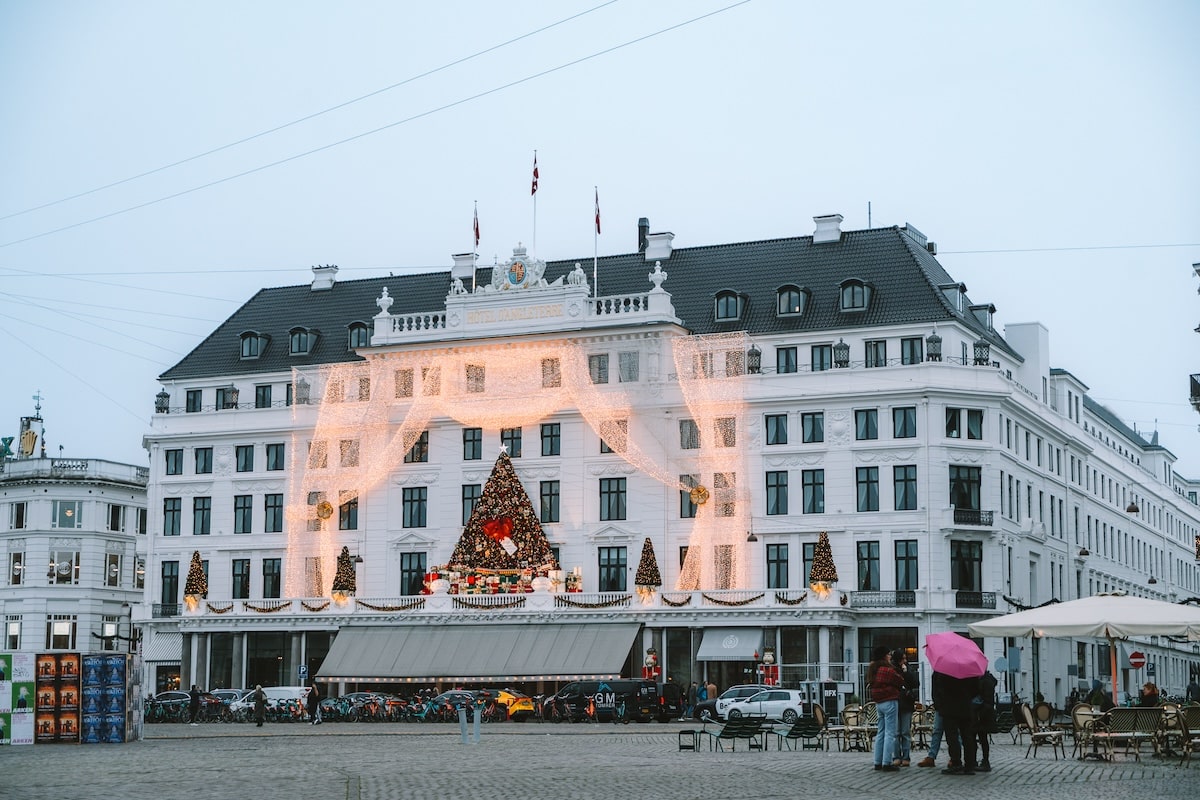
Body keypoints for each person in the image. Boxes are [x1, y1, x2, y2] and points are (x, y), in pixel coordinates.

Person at [935, 669, 980, 775]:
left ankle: (956, 762)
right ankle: (969, 765)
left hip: (949, 707)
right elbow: (976, 689)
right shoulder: (969, 670)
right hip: (965, 706)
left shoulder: (945, 670)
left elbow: (939, 687)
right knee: (967, 736)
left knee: (952, 737)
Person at [867, 645, 904, 772]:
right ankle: (887, 762)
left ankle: (878, 761)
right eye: (888, 654)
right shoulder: (887, 669)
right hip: (890, 701)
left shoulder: (873, 669)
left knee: (881, 732)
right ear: (884, 655)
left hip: (879, 703)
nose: (890, 656)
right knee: (890, 733)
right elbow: (899, 681)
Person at [893, 649, 918, 767]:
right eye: (902, 658)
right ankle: (896, 756)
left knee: (905, 732)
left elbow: (915, 683)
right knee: (896, 733)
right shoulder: (892, 669)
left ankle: (906, 756)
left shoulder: (909, 669)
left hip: (906, 704)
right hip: (896, 702)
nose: (905, 661)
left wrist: (906, 672)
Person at [974, 670, 998, 772]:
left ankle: (984, 761)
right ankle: (979, 760)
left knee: (981, 738)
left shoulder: (986, 681)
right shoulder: (986, 679)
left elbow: (987, 699)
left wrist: (980, 711)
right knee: (980, 738)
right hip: (983, 713)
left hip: (982, 713)